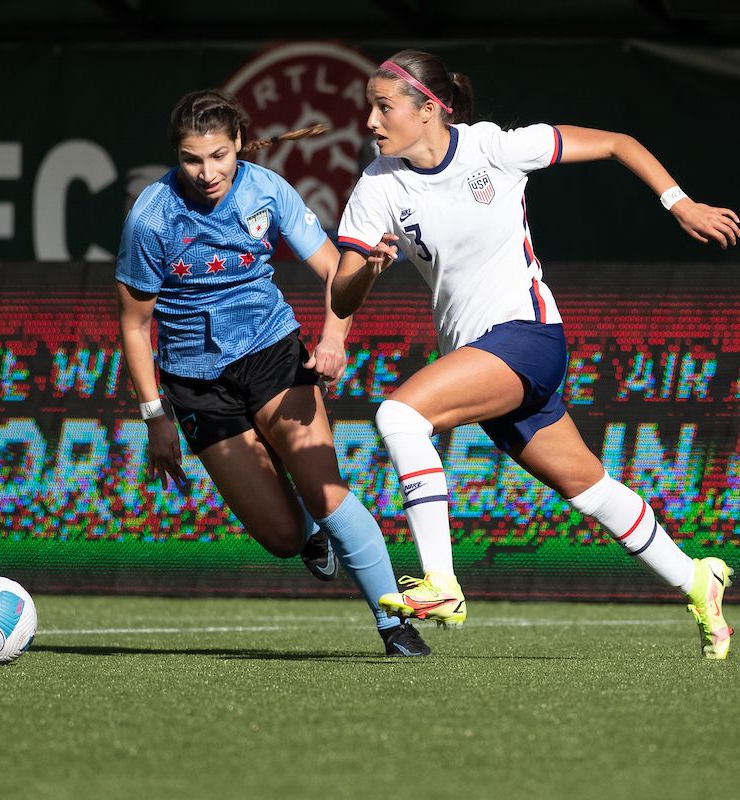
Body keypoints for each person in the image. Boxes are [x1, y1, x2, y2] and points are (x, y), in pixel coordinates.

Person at [331, 49, 739, 659]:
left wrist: (679, 204)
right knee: (589, 487)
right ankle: (696, 578)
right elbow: (344, 288)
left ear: (430, 109)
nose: (370, 121)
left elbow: (618, 143)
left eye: (383, 106)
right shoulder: (377, 184)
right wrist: (370, 270)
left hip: (530, 336)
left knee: (399, 417)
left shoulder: (492, 148)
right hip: (482, 358)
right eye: (370, 107)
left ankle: (441, 582)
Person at [115, 88, 430, 657]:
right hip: (195, 384)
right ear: (176, 157)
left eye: (218, 155)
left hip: (272, 353)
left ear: (238, 144)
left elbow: (336, 271)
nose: (207, 172)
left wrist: (343, 320)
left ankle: (395, 625)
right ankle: (308, 535)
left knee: (326, 489)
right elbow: (135, 326)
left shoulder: (267, 189)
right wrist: (154, 415)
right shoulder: (150, 217)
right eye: (191, 159)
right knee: (283, 537)